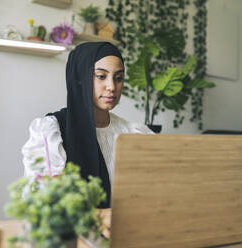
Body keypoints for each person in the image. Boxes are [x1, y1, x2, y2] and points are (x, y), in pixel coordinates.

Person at [22, 42, 153, 208]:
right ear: (80, 78)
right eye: (101, 76)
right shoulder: (51, 131)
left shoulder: (133, 133)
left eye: (118, 78)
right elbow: (41, 200)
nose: (112, 86)